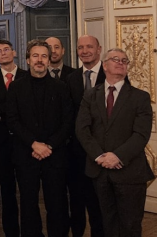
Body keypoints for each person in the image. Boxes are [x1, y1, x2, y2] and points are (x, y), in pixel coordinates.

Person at [75, 48, 153, 237]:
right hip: (99, 171)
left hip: (130, 173)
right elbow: (82, 130)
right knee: (106, 223)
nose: (120, 62)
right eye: (115, 59)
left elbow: (141, 134)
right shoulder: (91, 95)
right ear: (104, 65)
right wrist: (100, 156)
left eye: (124, 60)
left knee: (130, 225)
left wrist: (117, 156)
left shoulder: (140, 97)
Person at [6, 39, 72, 237]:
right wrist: (34, 144)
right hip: (26, 155)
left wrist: (49, 145)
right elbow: (12, 120)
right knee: (28, 204)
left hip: (55, 155)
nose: (40, 60)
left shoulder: (61, 87)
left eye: (44, 56)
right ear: (27, 60)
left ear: (49, 59)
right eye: (35, 56)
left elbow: (68, 122)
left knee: (57, 204)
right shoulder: (16, 88)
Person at [0, 39, 27, 237]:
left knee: (27, 191)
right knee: (6, 190)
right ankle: (9, 232)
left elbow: (28, 111)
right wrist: (9, 108)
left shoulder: (26, 77)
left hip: (24, 142)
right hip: (0, 143)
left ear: (14, 52)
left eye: (6, 50)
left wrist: (1, 109)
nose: (3, 53)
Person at [65, 35, 105, 237]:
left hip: (104, 151)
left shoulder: (111, 75)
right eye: (80, 47)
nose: (85, 51)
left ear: (99, 49)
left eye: (89, 46)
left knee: (100, 203)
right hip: (77, 153)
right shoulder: (71, 78)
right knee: (77, 200)